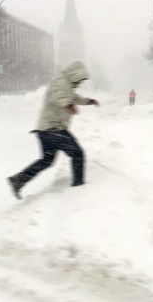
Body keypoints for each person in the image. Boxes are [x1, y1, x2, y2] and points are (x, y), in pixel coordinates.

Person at [7, 61, 99, 199]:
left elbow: (74, 98)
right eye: (80, 79)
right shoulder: (60, 82)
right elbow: (58, 96)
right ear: (75, 75)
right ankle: (78, 188)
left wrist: (89, 101)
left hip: (46, 130)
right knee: (78, 154)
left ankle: (19, 180)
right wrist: (68, 105)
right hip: (53, 129)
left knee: (47, 160)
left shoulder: (67, 85)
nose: (80, 83)